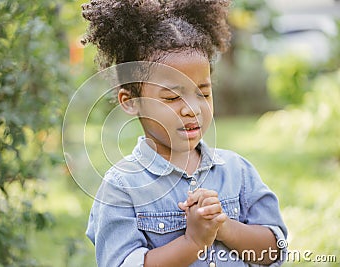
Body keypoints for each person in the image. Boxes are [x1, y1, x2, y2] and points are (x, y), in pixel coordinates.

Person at [81, 0, 287, 266]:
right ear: (131, 101)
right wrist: (193, 242)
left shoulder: (237, 172)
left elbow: (275, 250)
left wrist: (224, 227)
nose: (192, 109)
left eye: (203, 93)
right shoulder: (122, 188)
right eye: (172, 97)